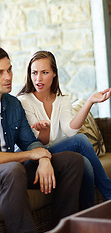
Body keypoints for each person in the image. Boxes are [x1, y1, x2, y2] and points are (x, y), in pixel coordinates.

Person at [0, 46, 85, 233]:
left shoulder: (13, 104)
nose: (8, 77)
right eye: (0, 72)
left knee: (72, 161)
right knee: (13, 170)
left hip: (11, 169)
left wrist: (45, 160)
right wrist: (32, 155)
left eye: (9, 69)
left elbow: (29, 142)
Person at [18, 50, 111, 202]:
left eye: (44, 72)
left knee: (85, 164)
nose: (38, 78)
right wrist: (45, 131)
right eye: (34, 73)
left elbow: (70, 131)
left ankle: (87, 216)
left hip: (57, 155)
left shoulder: (62, 100)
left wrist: (89, 102)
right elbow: (36, 146)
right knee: (81, 141)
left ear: (54, 73)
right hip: (36, 159)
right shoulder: (24, 101)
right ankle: (109, 195)